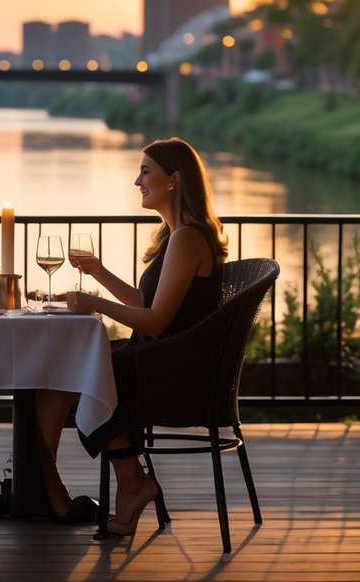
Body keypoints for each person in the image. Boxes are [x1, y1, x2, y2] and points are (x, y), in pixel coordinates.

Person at [36, 136, 229, 537]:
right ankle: (56, 486)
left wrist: (96, 304)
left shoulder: (187, 238)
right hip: (160, 358)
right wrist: (99, 273)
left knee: (76, 373)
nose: (136, 180)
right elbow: (148, 302)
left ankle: (125, 482)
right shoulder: (177, 237)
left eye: (145, 171)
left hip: (170, 369)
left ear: (174, 179)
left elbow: (155, 322)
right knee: (64, 376)